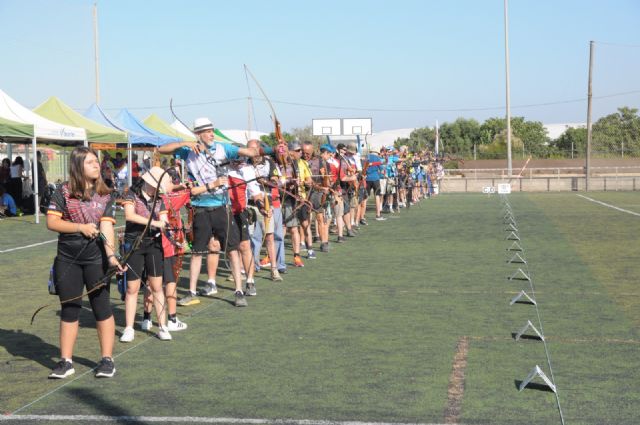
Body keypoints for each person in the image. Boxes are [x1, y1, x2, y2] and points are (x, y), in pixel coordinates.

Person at [158, 117, 264, 308]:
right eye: (206, 131)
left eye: (212, 130)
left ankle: (239, 291)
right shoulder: (188, 150)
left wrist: (268, 150)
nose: (211, 134)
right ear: (198, 134)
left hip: (222, 207)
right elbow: (161, 149)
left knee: (232, 249)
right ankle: (191, 292)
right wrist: (187, 143)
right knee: (198, 251)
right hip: (200, 207)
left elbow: (250, 152)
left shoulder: (223, 148)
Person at [46, 146, 123, 379]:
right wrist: (80, 227)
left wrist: (111, 257)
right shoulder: (63, 192)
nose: (96, 165)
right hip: (67, 258)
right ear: (78, 166)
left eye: (96, 161)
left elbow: (107, 226)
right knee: (69, 308)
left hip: (96, 259)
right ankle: (66, 361)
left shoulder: (107, 193)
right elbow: (52, 222)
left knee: (101, 308)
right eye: (90, 162)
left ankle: (107, 360)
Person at [119, 167, 171, 342]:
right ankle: (129, 328)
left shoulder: (160, 199)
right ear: (149, 183)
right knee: (132, 288)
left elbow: (164, 219)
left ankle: (163, 326)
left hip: (154, 245)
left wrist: (163, 223)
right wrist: (155, 222)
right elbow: (129, 215)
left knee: (157, 287)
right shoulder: (131, 195)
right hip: (134, 244)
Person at [248, 139, 284, 282]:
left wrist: (264, 181)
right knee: (250, 238)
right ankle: (251, 266)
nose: (251, 152)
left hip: (266, 202)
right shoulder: (245, 162)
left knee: (269, 237)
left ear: (259, 149)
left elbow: (275, 181)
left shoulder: (269, 162)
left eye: (253, 149)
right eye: (248, 149)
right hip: (249, 204)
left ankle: (274, 269)